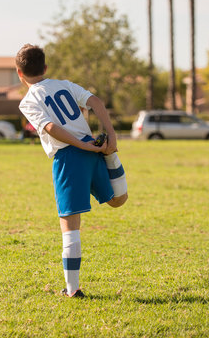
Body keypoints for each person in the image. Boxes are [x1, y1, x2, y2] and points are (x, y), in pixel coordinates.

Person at [16, 44, 128, 298]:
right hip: (93, 153)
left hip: (69, 158)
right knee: (117, 200)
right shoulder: (65, 84)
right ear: (45, 68)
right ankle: (111, 156)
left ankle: (72, 290)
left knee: (70, 225)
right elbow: (95, 102)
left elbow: (51, 127)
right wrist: (110, 134)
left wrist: (80, 144)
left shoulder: (28, 100)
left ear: (19, 73)